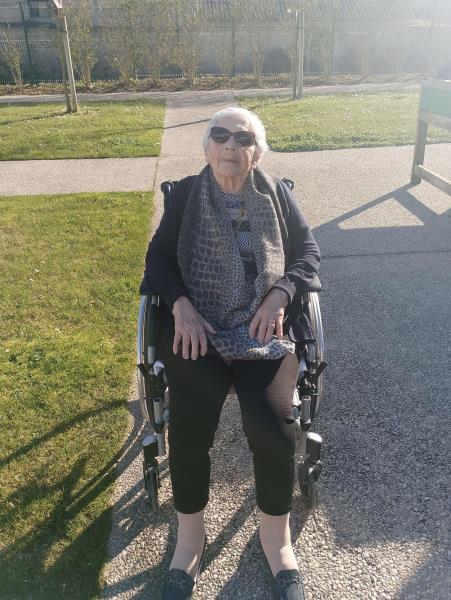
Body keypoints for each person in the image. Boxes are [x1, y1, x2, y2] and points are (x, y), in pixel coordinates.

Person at [140, 106, 320, 600]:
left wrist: (280, 293)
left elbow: (307, 253)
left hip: (264, 329)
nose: (230, 146)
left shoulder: (276, 194)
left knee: (273, 426)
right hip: (198, 328)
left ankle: (276, 541)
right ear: (207, 147)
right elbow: (158, 260)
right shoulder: (186, 196)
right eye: (220, 136)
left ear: (257, 153)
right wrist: (181, 306)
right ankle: (190, 541)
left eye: (243, 139)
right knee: (190, 427)